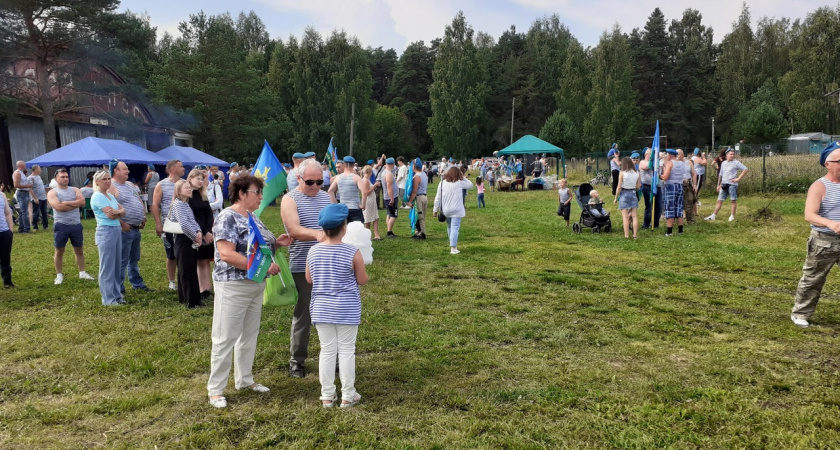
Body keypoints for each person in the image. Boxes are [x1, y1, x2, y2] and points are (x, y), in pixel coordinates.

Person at [206, 174, 291, 408]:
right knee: (225, 337)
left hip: (255, 284)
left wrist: (277, 243)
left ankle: (245, 380)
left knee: (249, 334)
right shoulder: (227, 217)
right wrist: (261, 266)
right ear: (242, 194)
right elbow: (226, 254)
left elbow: (257, 246)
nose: (261, 197)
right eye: (257, 193)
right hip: (234, 285)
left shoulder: (252, 216)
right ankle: (216, 389)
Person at [307, 203, 368, 408]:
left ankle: (327, 395)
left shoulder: (313, 252)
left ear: (323, 229)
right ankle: (348, 395)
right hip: (347, 309)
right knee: (347, 351)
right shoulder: (353, 252)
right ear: (344, 227)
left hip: (321, 308)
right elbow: (362, 279)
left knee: (327, 351)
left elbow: (309, 279)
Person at [280, 159, 331, 378]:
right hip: (303, 265)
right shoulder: (289, 199)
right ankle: (297, 361)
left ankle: (332, 357)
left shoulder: (326, 196)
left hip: (328, 264)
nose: (315, 186)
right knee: (304, 314)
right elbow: (293, 229)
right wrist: (318, 234)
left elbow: (336, 224)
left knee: (330, 313)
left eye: (320, 181)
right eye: (310, 181)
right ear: (298, 178)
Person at [791, 143, 840, 328]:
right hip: (824, 241)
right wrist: (830, 223)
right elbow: (809, 215)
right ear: (828, 164)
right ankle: (800, 314)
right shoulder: (819, 186)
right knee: (813, 279)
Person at [108, 161, 151, 295]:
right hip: (124, 230)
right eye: (124, 169)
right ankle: (119, 288)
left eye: (127, 169)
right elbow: (110, 210)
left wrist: (143, 217)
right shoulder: (110, 187)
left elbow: (138, 200)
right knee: (122, 260)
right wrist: (122, 224)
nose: (128, 171)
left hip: (136, 228)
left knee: (134, 259)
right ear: (115, 170)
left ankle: (137, 283)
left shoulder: (131, 185)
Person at [48, 168, 95, 285]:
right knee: (59, 251)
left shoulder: (75, 189)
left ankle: (82, 272)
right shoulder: (52, 192)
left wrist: (65, 203)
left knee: (79, 250)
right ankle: (59, 275)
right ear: (56, 179)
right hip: (61, 225)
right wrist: (74, 203)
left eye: (66, 177)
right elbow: (58, 207)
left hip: (76, 224)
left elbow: (82, 203)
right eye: (62, 177)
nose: (65, 179)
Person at [90, 170, 126, 306]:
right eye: (104, 179)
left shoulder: (110, 196)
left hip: (116, 229)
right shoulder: (97, 196)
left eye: (108, 178)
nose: (107, 181)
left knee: (116, 265)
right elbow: (110, 215)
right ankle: (108, 299)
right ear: (97, 181)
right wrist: (119, 212)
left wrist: (119, 212)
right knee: (107, 267)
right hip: (106, 231)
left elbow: (122, 211)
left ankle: (117, 296)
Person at [170, 179, 203, 308]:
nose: (189, 189)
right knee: (186, 270)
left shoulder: (185, 204)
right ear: (178, 191)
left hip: (190, 237)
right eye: (186, 188)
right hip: (183, 239)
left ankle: (187, 297)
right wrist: (195, 236)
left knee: (188, 268)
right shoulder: (178, 204)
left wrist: (199, 231)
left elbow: (192, 221)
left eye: (190, 187)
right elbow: (184, 224)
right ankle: (191, 301)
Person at [152, 159, 184, 290]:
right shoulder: (162, 185)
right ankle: (172, 281)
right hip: (169, 224)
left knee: (183, 254)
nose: (183, 168)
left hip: (184, 225)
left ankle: (183, 279)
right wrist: (159, 223)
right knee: (171, 255)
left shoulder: (185, 183)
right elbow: (154, 205)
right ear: (172, 169)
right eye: (180, 166)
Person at [187, 168, 215, 300]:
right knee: (199, 261)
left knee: (205, 261)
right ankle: (201, 288)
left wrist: (209, 230)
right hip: (197, 231)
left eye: (202, 179)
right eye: (197, 178)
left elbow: (209, 213)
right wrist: (203, 232)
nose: (200, 181)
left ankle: (207, 287)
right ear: (190, 179)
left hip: (207, 231)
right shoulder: (188, 196)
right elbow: (192, 217)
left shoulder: (202, 195)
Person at [433, 166, 473, 254]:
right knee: (455, 227)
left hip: (446, 210)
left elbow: (438, 197)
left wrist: (435, 210)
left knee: (450, 226)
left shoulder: (442, 183)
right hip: (457, 209)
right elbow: (470, 185)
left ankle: (452, 244)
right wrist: (463, 177)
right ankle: (453, 247)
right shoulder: (459, 183)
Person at [706, 149, 749, 222]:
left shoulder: (736, 163)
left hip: (732, 184)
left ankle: (732, 216)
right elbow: (720, 174)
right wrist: (718, 185)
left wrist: (738, 178)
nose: (732, 155)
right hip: (723, 184)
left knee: (733, 200)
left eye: (733, 154)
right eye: (730, 154)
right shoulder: (723, 163)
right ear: (726, 155)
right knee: (719, 200)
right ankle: (713, 215)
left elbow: (745, 169)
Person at [328, 156, 366, 223]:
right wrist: (363, 205)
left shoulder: (338, 178)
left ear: (344, 165)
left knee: (344, 231)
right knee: (357, 231)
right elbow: (364, 191)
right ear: (354, 165)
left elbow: (330, 191)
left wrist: (336, 204)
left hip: (343, 209)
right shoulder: (356, 177)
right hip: (355, 208)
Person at [614, 157, 641, 239]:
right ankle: (635, 235)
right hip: (633, 193)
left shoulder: (622, 173)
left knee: (625, 217)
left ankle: (626, 235)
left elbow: (619, 187)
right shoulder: (637, 173)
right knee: (634, 216)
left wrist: (616, 198)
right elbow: (638, 186)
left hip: (624, 193)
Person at [659, 148, 685, 236]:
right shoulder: (681, 163)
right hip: (680, 186)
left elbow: (665, 177)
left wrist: (658, 176)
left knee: (670, 207)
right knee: (679, 207)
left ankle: (669, 231)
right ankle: (680, 230)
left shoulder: (670, 163)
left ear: (670, 155)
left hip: (670, 186)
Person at [406, 158, 428, 239]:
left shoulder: (416, 177)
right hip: (425, 196)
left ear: (414, 166)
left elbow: (414, 191)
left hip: (419, 197)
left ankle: (422, 233)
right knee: (422, 215)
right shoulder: (424, 174)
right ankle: (419, 232)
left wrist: (410, 201)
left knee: (419, 216)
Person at [639, 148, 661, 229]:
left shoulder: (656, 162)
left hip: (657, 186)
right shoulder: (642, 162)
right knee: (649, 206)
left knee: (658, 207)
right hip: (648, 186)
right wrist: (655, 162)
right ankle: (646, 225)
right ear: (646, 154)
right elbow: (647, 166)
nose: (652, 155)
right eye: (650, 153)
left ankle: (656, 224)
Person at [677, 150, 698, 224]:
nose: (677, 156)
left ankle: (691, 220)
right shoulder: (674, 162)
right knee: (677, 202)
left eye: (679, 154)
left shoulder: (689, 162)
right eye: (676, 154)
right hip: (678, 183)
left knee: (689, 201)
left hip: (688, 183)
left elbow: (693, 173)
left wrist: (694, 185)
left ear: (683, 154)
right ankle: (677, 220)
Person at [361, 166, 381, 240]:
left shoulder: (367, 180)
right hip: (368, 201)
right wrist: (375, 186)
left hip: (372, 200)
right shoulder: (365, 181)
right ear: (370, 172)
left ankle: (376, 234)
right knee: (368, 219)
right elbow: (367, 193)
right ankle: (367, 236)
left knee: (375, 217)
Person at [12, 161, 32, 233]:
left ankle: (21, 229)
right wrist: (28, 185)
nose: (25, 165)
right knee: (24, 212)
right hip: (22, 193)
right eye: (25, 164)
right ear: (21, 165)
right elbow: (16, 185)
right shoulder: (17, 173)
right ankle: (27, 229)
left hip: (25, 193)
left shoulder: (22, 173)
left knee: (22, 212)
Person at [0, 185, 14, 288]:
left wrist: (10, 230)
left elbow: (7, 213)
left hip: (4, 232)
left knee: (5, 258)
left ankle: (7, 281)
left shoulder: (2, 195)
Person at [382, 158, 399, 238]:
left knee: (389, 213)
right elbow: (389, 187)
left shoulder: (384, 172)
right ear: (392, 164)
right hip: (391, 197)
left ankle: (388, 230)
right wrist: (392, 198)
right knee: (393, 214)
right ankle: (389, 231)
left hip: (387, 196)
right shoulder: (388, 174)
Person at [28, 165, 48, 231]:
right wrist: (35, 198)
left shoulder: (39, 177)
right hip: (37, 198)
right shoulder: (30, 178)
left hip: (43, 197)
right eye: (39, 169)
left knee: (44, 212)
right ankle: (35, 227)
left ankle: (45, 226)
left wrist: (45, 195)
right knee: (36, 213)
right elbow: (30, 189)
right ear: (35, 170)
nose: (41, 170)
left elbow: (41, 187)